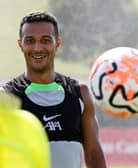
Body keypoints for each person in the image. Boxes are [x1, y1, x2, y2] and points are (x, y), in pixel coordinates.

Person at [1, 11, 107, 168]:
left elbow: (93, 155)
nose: (37, 48)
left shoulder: (80, 94)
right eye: (30, 40)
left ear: (57, 43)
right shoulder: (6, 98)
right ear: (20, 44)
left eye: (45, 40)